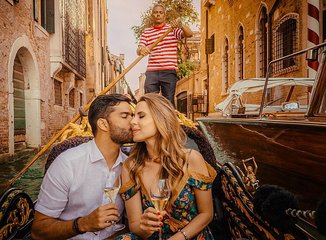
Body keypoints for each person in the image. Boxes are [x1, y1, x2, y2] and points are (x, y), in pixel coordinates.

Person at [31, 94, 134, 240]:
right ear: (103, 124)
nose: (134, 121)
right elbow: (38, 231)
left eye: (133, 115)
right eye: (125, 116)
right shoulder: (67, 164)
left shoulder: (130, 166)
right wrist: (83, 224)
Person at [117, 93, 216, 240]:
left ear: (161, 120)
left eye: (141, 116)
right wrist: (144, 226)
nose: (132, 121)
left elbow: (206, 214)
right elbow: (135, 225)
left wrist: (178, 238)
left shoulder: (191, 159)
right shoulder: (130, 166)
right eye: (133, 115)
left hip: (189, 236)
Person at [137, 4, 193, 106]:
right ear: (152, 15)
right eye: (155, 12)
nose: (158, 14)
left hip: (169, 70)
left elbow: (189, 34)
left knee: (168, 101)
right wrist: (141, 50)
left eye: (160, 12)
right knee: (150, 100)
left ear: (164, 15)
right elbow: (140, 48)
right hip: (152, 71)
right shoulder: (147, 32)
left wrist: (180, 25)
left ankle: (170, 122)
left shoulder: (172, 29)